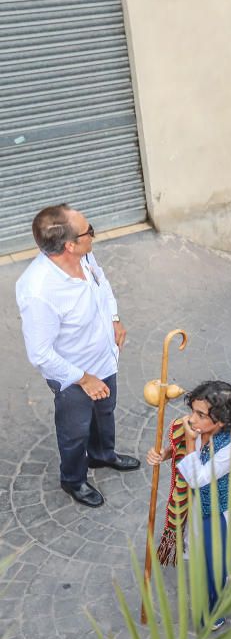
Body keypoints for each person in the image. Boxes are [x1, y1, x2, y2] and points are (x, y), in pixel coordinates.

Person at [15, 204, 136, 508]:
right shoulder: (38, 291)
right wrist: (84, 379)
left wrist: (114, 318)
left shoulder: (84, 255)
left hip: (104, 359)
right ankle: (73, 480)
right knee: (74, 431)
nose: (93, 235)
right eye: (89, 231)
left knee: (105, 412)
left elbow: (102, 283)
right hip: (73, 376)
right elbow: (40, 354)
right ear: (69, 244)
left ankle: (102, 455)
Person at [146, 381, 231, 631]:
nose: (192, 419)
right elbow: (180, 449)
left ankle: (211, 611)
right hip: (196, 506)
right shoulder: (195, 426)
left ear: (221, 420)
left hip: (217, 511)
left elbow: (198, 478)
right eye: (193, 411)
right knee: (202, 553)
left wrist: (191, 442)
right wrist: (165, 453)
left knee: (215, 560)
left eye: (200, 415)